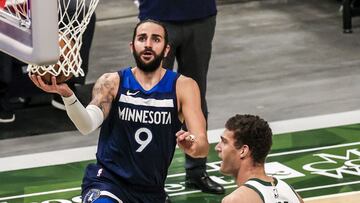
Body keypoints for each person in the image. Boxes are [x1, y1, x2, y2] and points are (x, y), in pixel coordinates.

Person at [30, 19, 210, 203]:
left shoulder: (184, 87)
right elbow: (86, 125)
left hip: (151, 190)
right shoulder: (111, 82)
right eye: (142, 38)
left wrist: (193, 147)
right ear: (132, 46)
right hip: (108, 182)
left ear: (166, 49)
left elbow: (202, 145)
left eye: (156, 39)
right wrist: (68, 96)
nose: (147, 44)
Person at [136, 0, 223, 195]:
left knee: (196, 95)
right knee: (154, 99)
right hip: (158, 15)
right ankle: (150, 180)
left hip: (201, 15)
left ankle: (197, 171)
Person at [215, 114, 304, 203]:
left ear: (243, 151)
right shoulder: (291, 193)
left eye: (224, 142)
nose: (217, 148)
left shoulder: (235, 200)